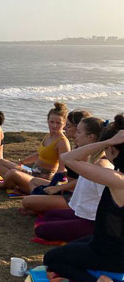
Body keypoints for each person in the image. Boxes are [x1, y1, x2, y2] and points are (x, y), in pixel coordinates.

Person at [43, 115, 124, 282]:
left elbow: (68, 158)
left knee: (51, 259)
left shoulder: (118, 180)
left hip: (108, 255)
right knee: (70, 249)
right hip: (110, 246)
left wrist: (106, 142)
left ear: (113, 150)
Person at [21, 117, 104, 216]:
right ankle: (42, 206)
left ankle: (43, 207)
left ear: (90, 137)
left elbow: (82, 180)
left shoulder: (93, 158)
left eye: (78, 132)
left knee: (26, 201)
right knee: (34, 181)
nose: (75, 134)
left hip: (74, 196)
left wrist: (59, 188)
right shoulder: (81, 150)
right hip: (68, 189)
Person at [0, 103, 71, 193]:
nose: (54, 126)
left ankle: (5, 184)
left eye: (58, 123)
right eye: (52, 122)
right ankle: (15, 183)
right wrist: (22, 162)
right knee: (0, 162)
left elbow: (62, 168)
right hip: (33, 171)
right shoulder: (48, 135)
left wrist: (53, 185)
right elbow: (38, 155)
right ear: (47, 121)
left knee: (12, 173)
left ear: (64, 124)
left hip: (43, 179)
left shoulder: (62, 142)